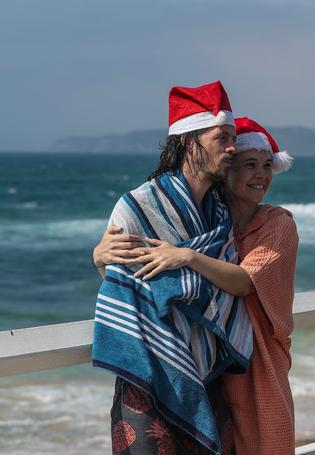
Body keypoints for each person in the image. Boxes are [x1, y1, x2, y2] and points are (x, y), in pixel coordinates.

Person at [95, 116, 298, 455]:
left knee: (267, 444)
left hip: (256, 364)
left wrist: (188, 257)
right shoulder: (209, 220)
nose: (261, 175)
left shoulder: (277, 224)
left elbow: (246, 282)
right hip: (213, 369)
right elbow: (128, 274)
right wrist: (99, 256)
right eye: (249, 165)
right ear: (227, 169)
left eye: (266, 166)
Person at [92, 81, 248, 455]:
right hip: (148, 381)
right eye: (221, 138)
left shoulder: (220, 214)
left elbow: (236, 284)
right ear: (191, 142)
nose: (232, 148)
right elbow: (118, 280)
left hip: (205, 377)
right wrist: (98, 256)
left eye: (234, 138)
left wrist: (187, 258)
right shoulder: (137, 207)